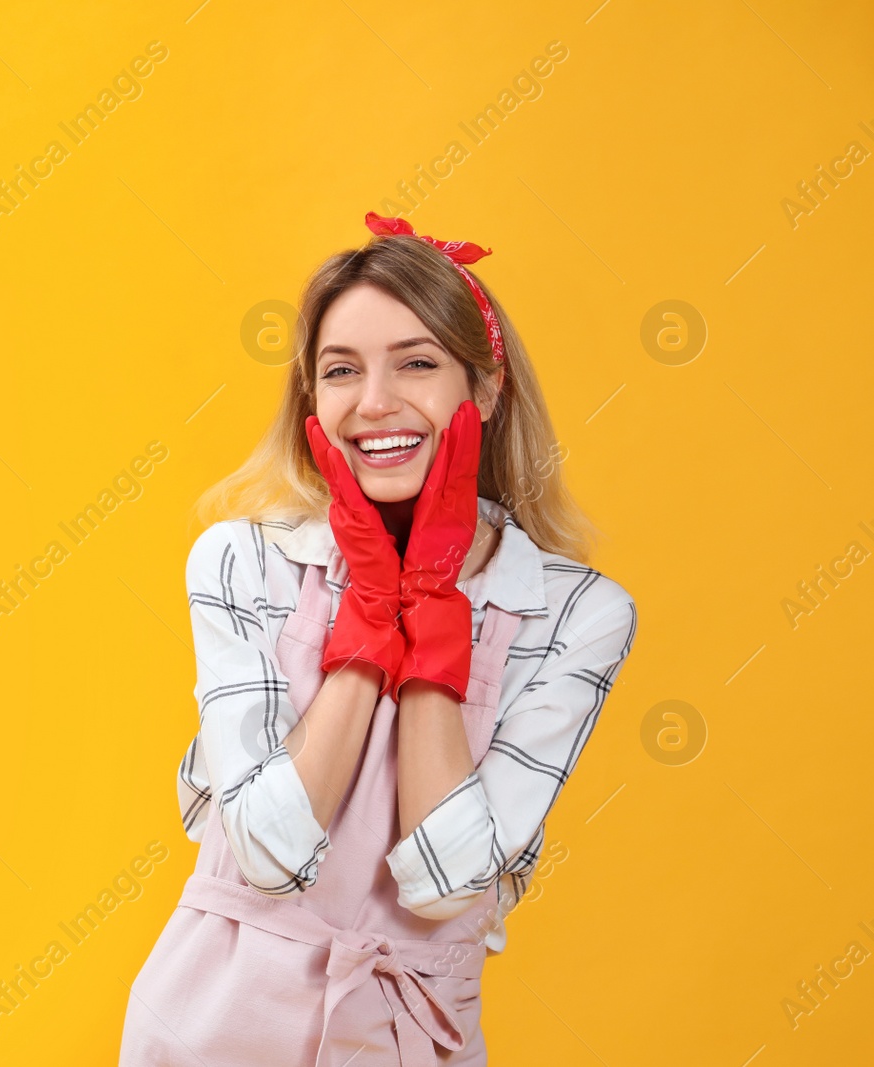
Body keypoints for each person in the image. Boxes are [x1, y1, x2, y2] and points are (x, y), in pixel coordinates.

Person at [118, 213, 639, 1066]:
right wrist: (370, 609)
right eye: (341, 371)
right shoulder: (244, 562)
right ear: (311, 401)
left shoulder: (576, 614)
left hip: (406, 1039)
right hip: (207, 1030)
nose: (374, 403)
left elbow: (443, 883)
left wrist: (433, 605)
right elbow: (268, 848)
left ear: (486, 389)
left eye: (418, 363)